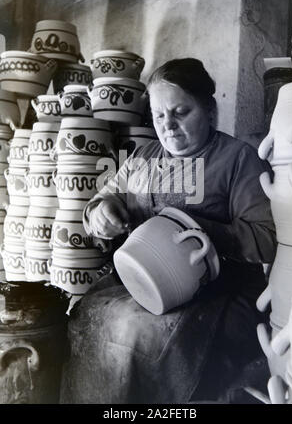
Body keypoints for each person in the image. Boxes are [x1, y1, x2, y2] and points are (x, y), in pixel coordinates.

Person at [61, 58, 277, 404]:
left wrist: (197, 231)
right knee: (88, 313)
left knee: (135, 330)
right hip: (142, 281)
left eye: (181, 112)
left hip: (218, 292)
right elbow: (104, 197)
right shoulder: (142, 158)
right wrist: (100, 211)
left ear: (208, 110)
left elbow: (266, 239)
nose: (168, 126)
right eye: (159, 115)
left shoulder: (238, 159)